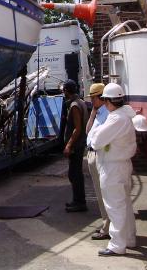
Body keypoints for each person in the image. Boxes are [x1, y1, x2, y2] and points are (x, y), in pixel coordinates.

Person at [91, 83, 137, 257]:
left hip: (112, 167)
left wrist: (96, 133)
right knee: (124, 204)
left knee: (114, 206)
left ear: (108, 101)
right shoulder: (125, 114)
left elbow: (96, 141)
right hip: (121, 165)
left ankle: (117, 244)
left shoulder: (116, 118)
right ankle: (129, 239)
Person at [85, 83, 110, 240]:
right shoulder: (99, 112)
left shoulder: (107, 114)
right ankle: (106, 224)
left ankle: (107, 227)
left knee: (104, 193)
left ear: (100, 98)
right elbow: (88, 131)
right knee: (100, 191)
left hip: (101, 154)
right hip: (92, 153)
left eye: (93, 98)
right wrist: (93, 114)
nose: (91, 101)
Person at [62, 79, 89, 212]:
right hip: (79, 144)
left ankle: (79, 202)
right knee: (75, 173)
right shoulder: (81, 102)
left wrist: (68, 145)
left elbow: (77, 128)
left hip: (76, 146)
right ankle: (77, 200)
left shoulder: (74, 105)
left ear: (66, 90)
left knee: (75, 174)